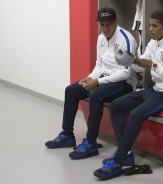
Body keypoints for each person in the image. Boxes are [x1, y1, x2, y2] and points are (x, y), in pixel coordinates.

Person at [93, 10, 163, 180]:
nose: (150, 29)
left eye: (154, 26)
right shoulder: (152, 43)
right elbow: (138, 67)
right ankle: (126, 153)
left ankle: (118, 161)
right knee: (116, 106)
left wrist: (154, 65)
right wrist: (130, 60)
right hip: (154, 89)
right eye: (150, 25)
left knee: (136, 114)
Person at [45, 7, 137, 160]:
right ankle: (67, 135)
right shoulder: (101, 38)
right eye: (102, 24)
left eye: (109, 24)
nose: (106, 28)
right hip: (104, 79)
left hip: (123, 83)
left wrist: (98, 81)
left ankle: (91, 143)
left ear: (116, 22)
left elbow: (125, 72)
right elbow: (99, 65)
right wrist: (90, 78)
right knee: (71, 90)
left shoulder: (125, 39)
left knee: (95, 96)